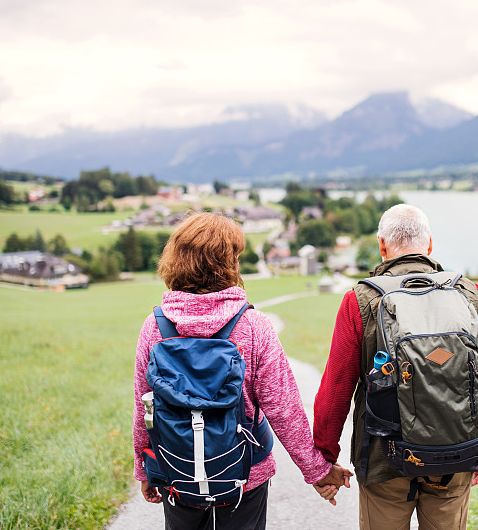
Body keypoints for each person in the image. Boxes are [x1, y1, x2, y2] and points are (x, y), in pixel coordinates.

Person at [132, 212, 351, 530]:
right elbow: (285, 410)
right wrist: (317, 471)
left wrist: (145, 469)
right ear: (229, 264)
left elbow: (144, 406)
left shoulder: (155, 326)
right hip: (244, 473)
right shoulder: (252, 325)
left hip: (176, 471)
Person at [312, 204, 478, 529]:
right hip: (457, 453)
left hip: (383, 457)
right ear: (429, 244)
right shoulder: (471, 295)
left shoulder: (360, 300)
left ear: (382, 245)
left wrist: (324, 460)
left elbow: (335, 392)